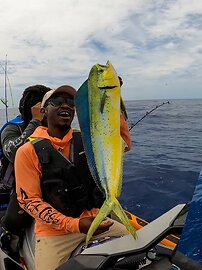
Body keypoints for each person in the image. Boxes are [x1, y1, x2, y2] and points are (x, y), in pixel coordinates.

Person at [14, 85, 130, 270]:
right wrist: (74, 224)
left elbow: (122, 144)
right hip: (55, 234)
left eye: (71, 103)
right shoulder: (27, 152)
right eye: (57, 102)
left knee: (141, 248)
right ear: (44, 111)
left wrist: (112, 99)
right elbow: (29, 201)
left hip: (97, 220)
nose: (65, 106)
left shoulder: (87, 139)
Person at [0, 85, 50, 258]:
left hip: (45, 186)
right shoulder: (12, 128)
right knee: (15, 219)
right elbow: (14, 153)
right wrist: (35, 122)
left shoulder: (50, 128)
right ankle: (9, 239)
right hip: (15, 189)